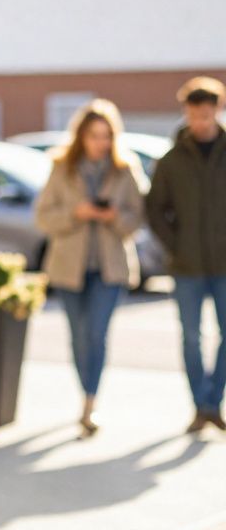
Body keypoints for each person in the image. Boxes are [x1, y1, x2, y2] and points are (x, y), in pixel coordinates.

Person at [34, 99, 144, 438]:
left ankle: (89, 403)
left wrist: (114, 218)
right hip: (70, 267)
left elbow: (138, 217)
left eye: (106, 136)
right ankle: (85, 391)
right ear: (81, 136)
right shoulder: (62, 167)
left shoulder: (125, 169)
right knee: (79, 336)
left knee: (97, 334)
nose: (101, 143)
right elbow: (43, 217)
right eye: (94, 136)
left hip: (109, 269)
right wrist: (75, 214)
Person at [146, 76, 226, 434]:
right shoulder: (171, 160)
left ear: (217, 111)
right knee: (190, 337)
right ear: (186, 112)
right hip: (185, 265)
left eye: (205, 116)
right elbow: (154, 209)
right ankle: (199, 405)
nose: (200, 123)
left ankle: (213, 402)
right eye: (194, 116)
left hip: (225, 264)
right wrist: (175, 244)